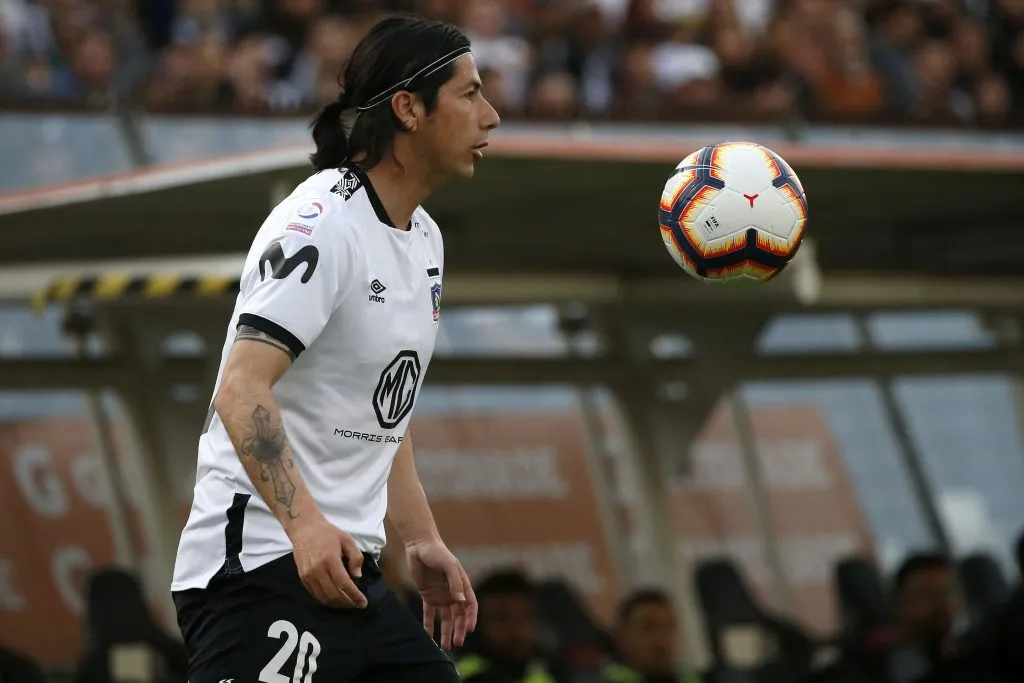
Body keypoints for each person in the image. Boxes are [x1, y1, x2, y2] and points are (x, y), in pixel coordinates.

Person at [170, 14, 500, 683]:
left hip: (348, 574)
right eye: (469, 94)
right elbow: (241, 390)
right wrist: (305, 527)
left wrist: (421, 538)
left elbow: (384, 412)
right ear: (408, 108)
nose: (490, 115)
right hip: (259, 568)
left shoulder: (425, 238)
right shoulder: (321, 224)